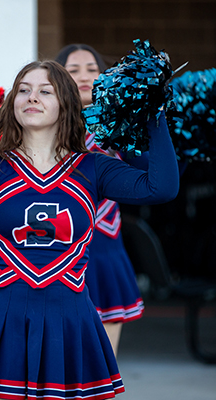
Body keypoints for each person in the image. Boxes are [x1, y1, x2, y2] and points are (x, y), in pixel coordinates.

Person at [0, 60, 179, 399]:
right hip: (4, 320)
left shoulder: (92, 167)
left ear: (66, 103)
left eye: (45, 91)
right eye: (23, 90)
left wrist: (154, 114)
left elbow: (160, 188)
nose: (32, 97)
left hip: (71, 321)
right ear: (12, 102)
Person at [55, 44, 146, 355]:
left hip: (104, 249)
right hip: (53, 254)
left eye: (92, 70)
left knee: (101, 369)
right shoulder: (43, 126)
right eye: (74, 69)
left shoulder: (119, 124)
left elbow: (150, 177)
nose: (84, 77)